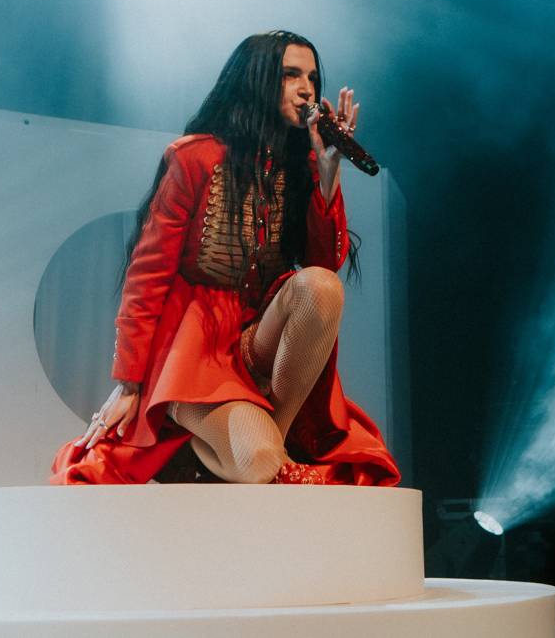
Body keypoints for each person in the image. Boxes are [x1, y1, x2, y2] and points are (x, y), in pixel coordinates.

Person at [50, 31, 400, 486]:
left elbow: (324, 262)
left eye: (312, 77)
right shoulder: (194, 157)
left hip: (259, 345)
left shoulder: (304, 166)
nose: (307, 89)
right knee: (257, 460)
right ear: (257, 79)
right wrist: (130, 382)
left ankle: (272, 441)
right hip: (195, 357)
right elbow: (146, 277)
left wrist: (328, 170)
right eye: (291, 74)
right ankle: (230, 451)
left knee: (320, 286)